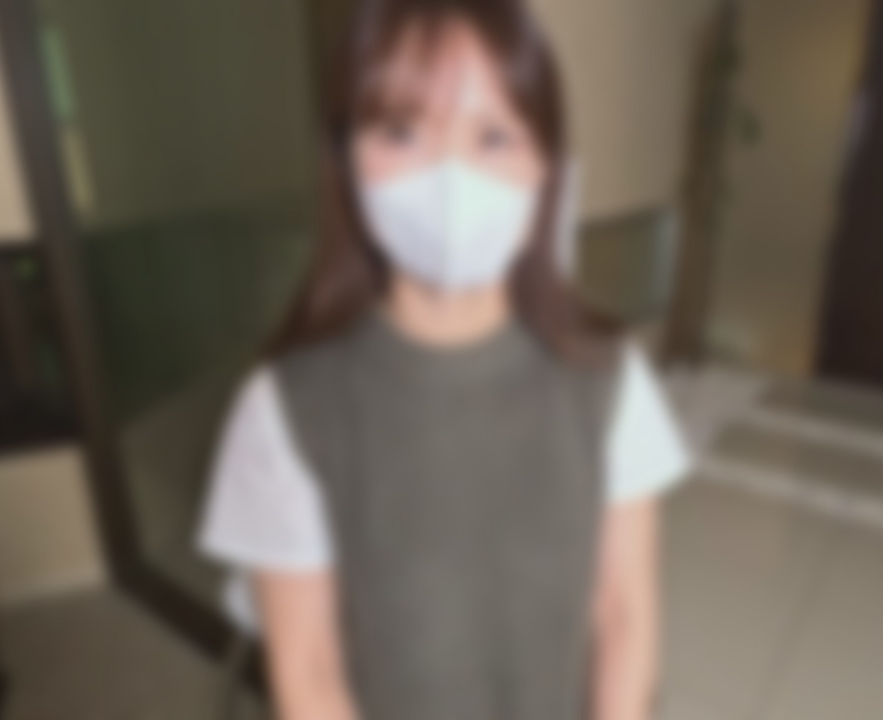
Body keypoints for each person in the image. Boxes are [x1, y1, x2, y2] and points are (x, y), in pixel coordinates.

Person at [198, 1, 691, 718]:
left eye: (493, 137)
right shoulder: (285, 408)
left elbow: (624, 617)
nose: (450, 177)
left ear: (544, 167)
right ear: (346, 157)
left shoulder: (611, 384)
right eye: (401, 131)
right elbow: (309, 672)